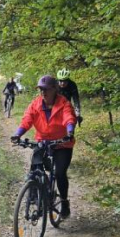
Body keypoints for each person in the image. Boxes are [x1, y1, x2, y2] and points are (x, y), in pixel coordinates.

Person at [10, 75, 77, 218]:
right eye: (41, 89)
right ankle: (35, 192)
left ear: (55, 89)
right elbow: (27, 120)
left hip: (62, 143)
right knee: (35, 168)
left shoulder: (64, 103)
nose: (43, 92)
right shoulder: (36, 104)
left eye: (46, 89)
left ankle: (64, 202)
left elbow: (69, 118)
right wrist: (18, 134)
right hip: (43, 142)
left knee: (59, 173)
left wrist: (70, 131)